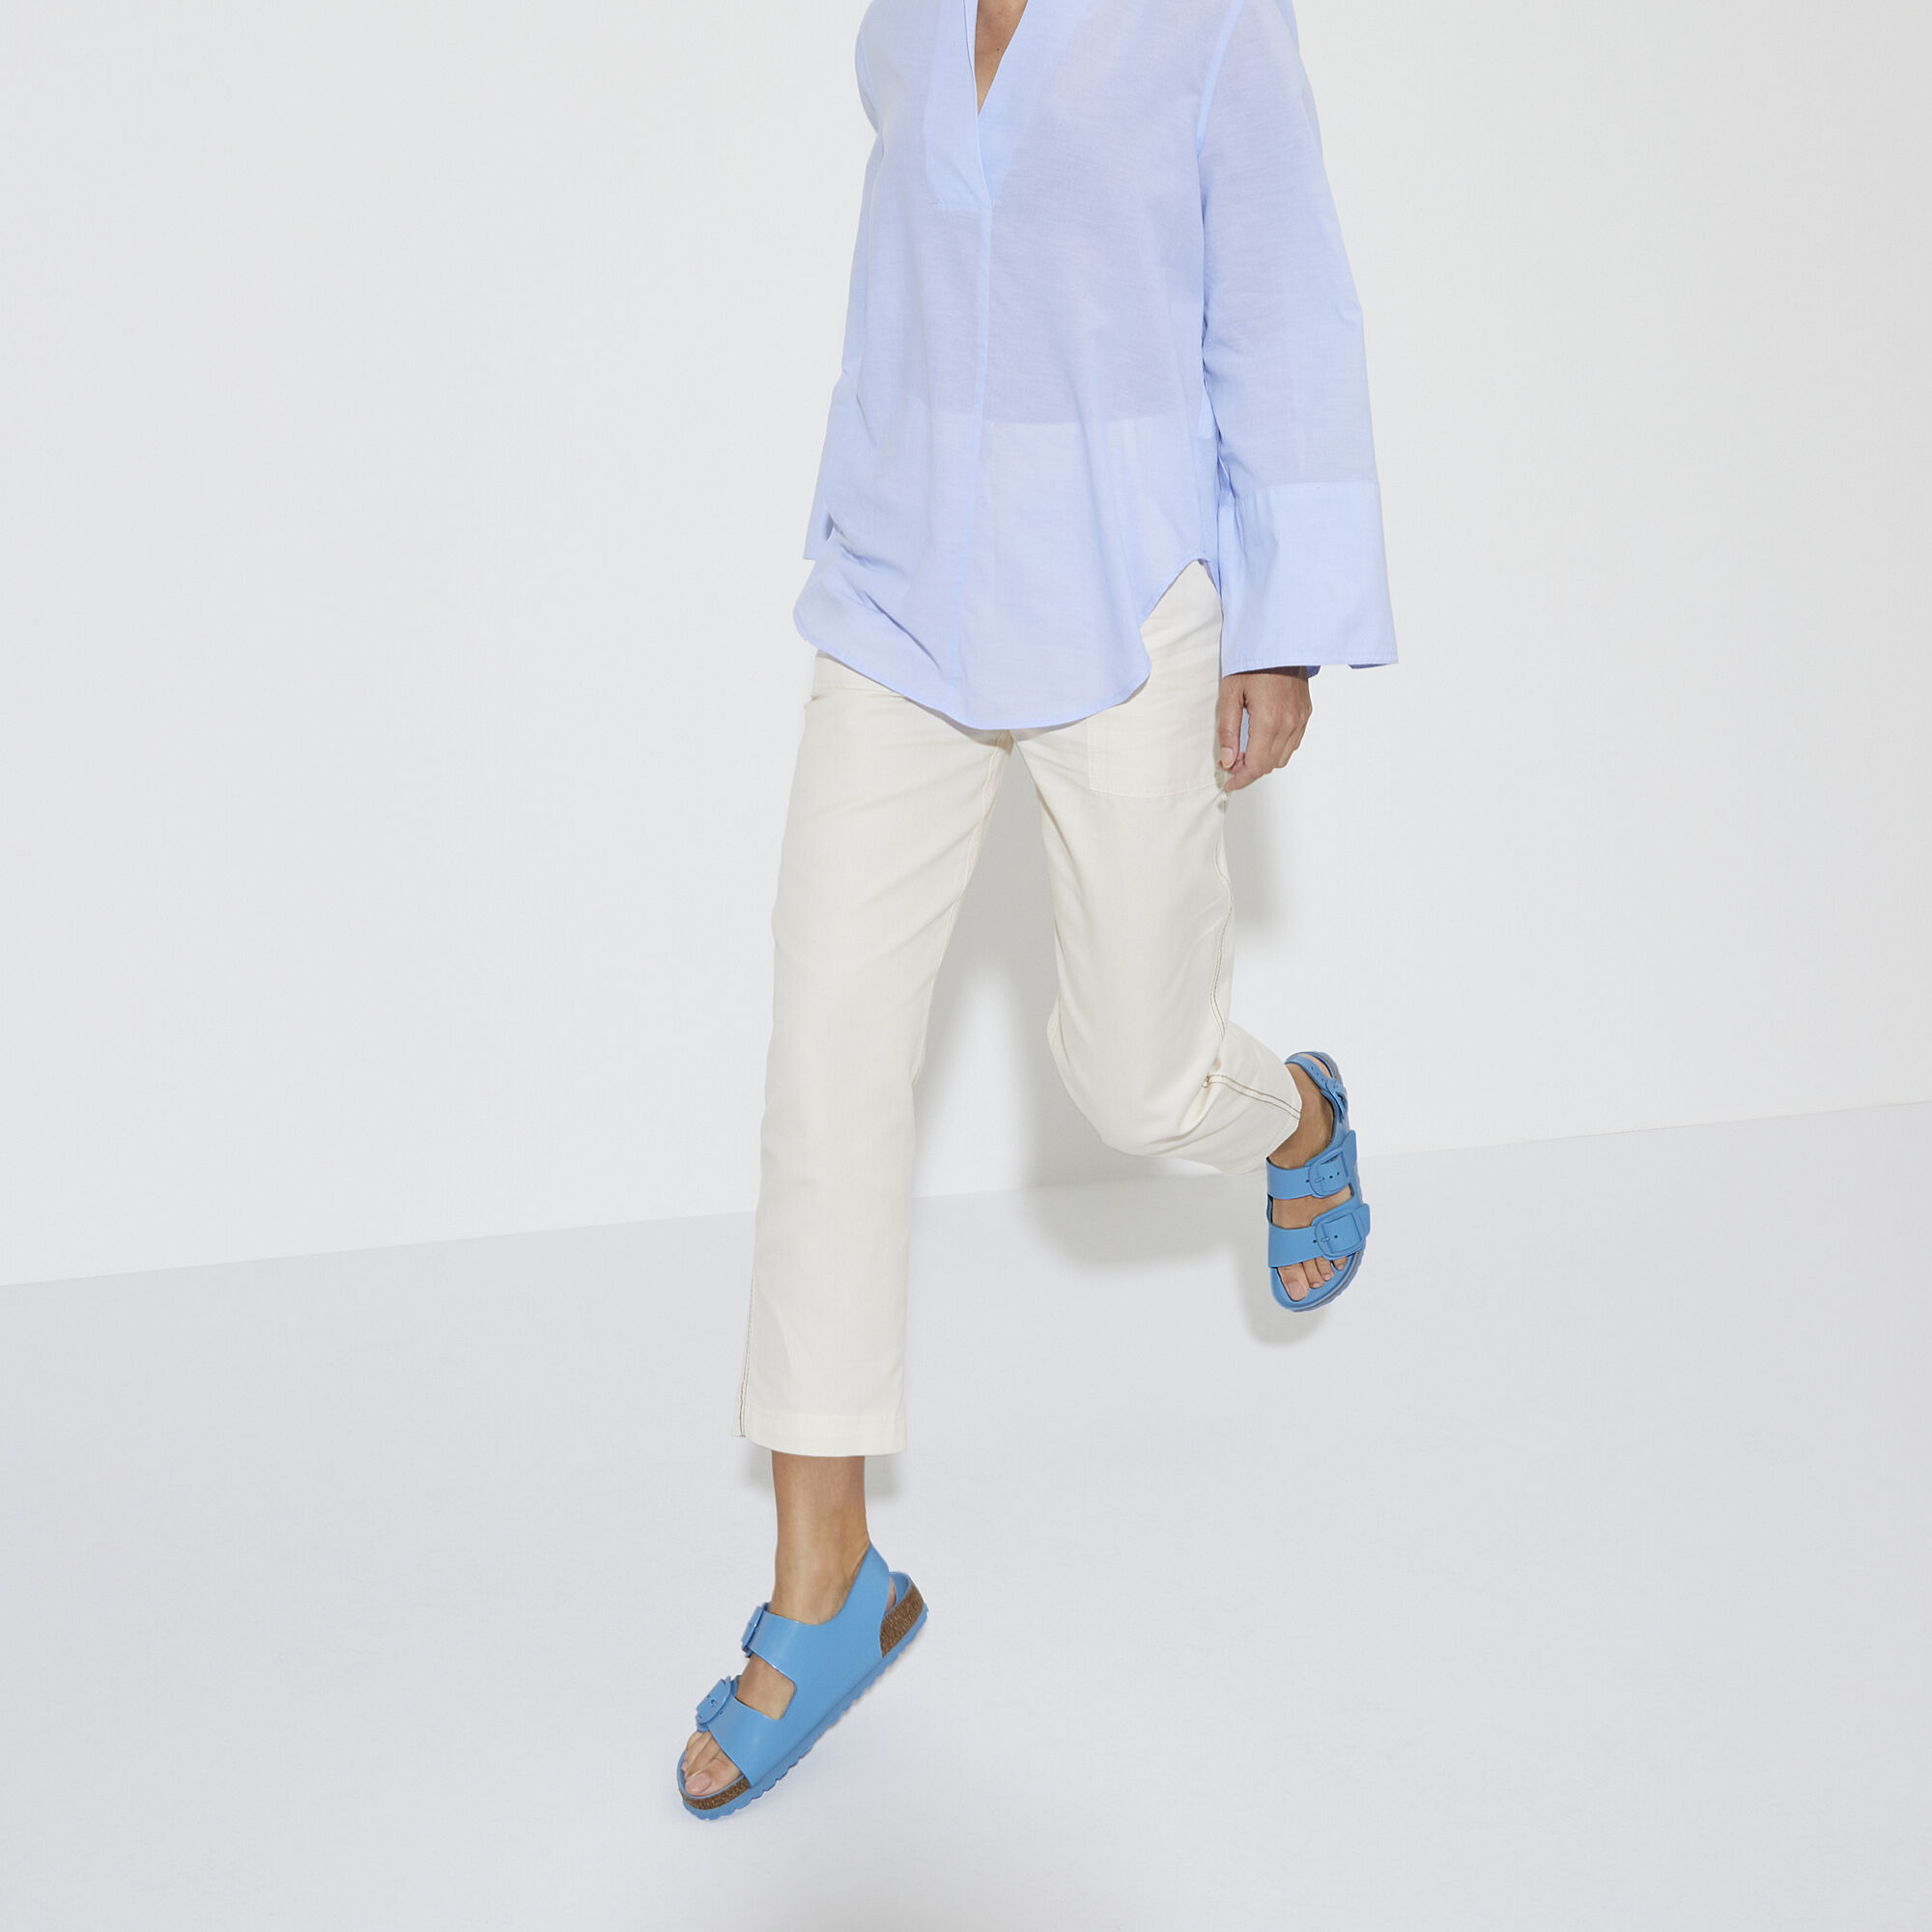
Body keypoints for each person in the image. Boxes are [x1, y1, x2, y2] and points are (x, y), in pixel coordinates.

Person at [678, 0, 1395, 1817]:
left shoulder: (1212, 19)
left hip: (1125, 585)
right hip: (900, 588)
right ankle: (827, 1584)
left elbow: (1284, 309)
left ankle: (1295, 1117)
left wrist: (1285, 620)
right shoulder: (908, 15)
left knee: (1142, 1083)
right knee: (826, 1069)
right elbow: (913, 264)